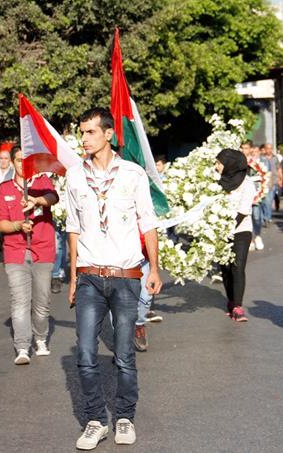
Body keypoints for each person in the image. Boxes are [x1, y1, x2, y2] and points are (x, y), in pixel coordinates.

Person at [66, 107, 161, 450]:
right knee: (86, 353)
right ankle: (94, 420)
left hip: (126, 276)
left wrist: (156, 268)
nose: (84, 138)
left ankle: (124, 417)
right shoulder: (75, 176)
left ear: (108, 134)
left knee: (123, 355)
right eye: (82, 132)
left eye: (90, 132)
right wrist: (74, 275)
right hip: (90, 275)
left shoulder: (133, 174)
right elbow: (73, 228)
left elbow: (147, 223)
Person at [0, 146, 58, 365]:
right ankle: (22, 347)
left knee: (41, 304)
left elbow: (53, 197)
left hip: (43, 249)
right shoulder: (4, 189)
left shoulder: (41, 182)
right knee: (20, 302)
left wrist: (36, 200)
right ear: (12, 162)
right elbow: (1, 223)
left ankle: (40, 339)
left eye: (27, 160)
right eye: (20, 160)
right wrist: (17, 225)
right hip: (15, 252)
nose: (24, 164)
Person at [216, 149, 255, 322]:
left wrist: (228, 228)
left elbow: (243, 211)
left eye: (219, 163)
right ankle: (231, 301)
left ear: (230, 164)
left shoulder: (247, 184)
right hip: (218, 231)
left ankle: (238, 306)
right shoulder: (215, 182)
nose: (216, 167)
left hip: (241, 230)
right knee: (224, 269)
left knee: (237, 266)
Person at [261, 143, 279, 224]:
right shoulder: (261, 158)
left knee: (270, 200)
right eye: (267, 148)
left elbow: (279, 168)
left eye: (270, 148)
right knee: (265, 200)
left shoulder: (275, 158)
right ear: (265, 149)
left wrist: (280, 179)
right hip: (265, 181)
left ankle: (268, 216)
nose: (269, 150)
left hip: (274, 181)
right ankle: (266, 217)